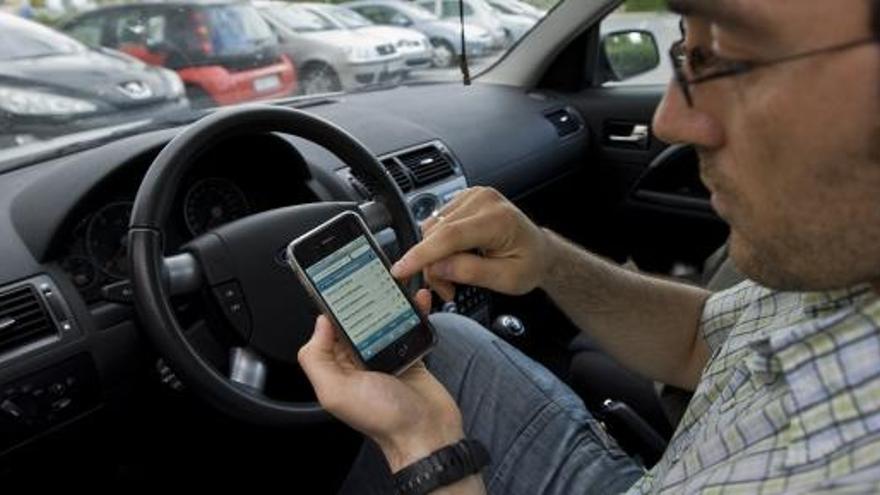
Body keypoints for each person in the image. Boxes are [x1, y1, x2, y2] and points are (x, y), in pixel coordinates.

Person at [298, 0, 880, 492]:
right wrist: (548, 259)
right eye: (684, 51)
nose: (668, 122)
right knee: (441, 342)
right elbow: (699, 341)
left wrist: (425, 451)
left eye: (723, 57)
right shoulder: (849, 275)